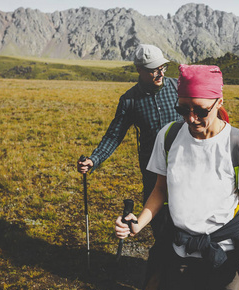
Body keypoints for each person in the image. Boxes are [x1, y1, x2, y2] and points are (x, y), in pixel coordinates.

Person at [115, 64, 239, 290]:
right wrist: (138, 223)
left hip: (223, 255)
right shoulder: (168, 136)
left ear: (219, 102)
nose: (191, 118)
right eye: (183, 109)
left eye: (201, 111)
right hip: (178, 253)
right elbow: (160, 189)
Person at [77, 44, 179, 237]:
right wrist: (94, 159)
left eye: (162, 68)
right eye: (153, 70)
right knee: (159, 223)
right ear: (139, 70)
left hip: (184, 167)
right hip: (153, 170)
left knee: (184, 219)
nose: (160, 73)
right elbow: (114, 135)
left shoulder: (177, 88)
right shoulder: (130, 100)